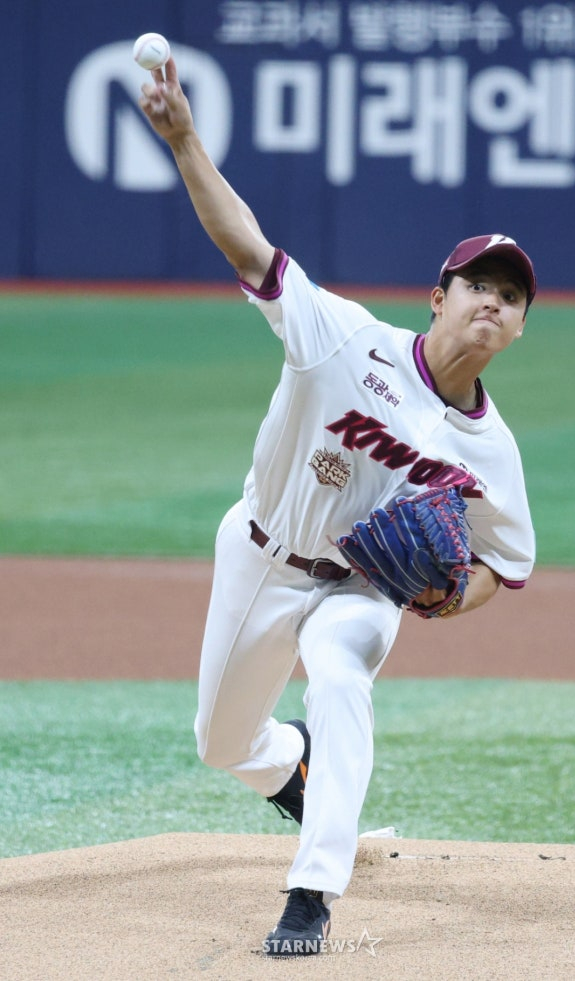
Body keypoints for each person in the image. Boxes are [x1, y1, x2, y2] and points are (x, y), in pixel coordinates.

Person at [139, 58, 536, 958]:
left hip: (360, 590)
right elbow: (246, 247)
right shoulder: (342, 335)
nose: (492, 302)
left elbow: (504, 564)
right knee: (220, 742)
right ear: (439, 298)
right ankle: (298, 768)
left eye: (509, 298)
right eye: (479, 284)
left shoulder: (491, 451)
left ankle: (311, 892)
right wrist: (186, 141)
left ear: (515, 330)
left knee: (340, 671)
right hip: (260, 554)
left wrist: (443, 599)